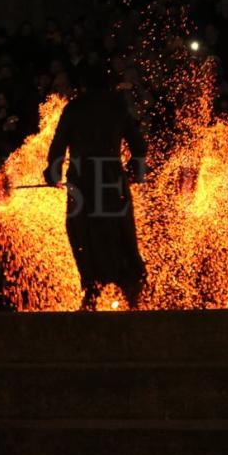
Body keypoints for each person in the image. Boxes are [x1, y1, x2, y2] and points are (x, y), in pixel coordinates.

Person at [43, 67, 147, 310]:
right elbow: (139, 146)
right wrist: (132, 171)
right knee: (120, 233)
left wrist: (53, 174)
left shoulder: (74, 108)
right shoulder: (117, 106)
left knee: (82, 234)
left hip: (82, 183)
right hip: (112, 179)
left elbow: (58, 148)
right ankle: (131, 288)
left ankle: (91, 289)